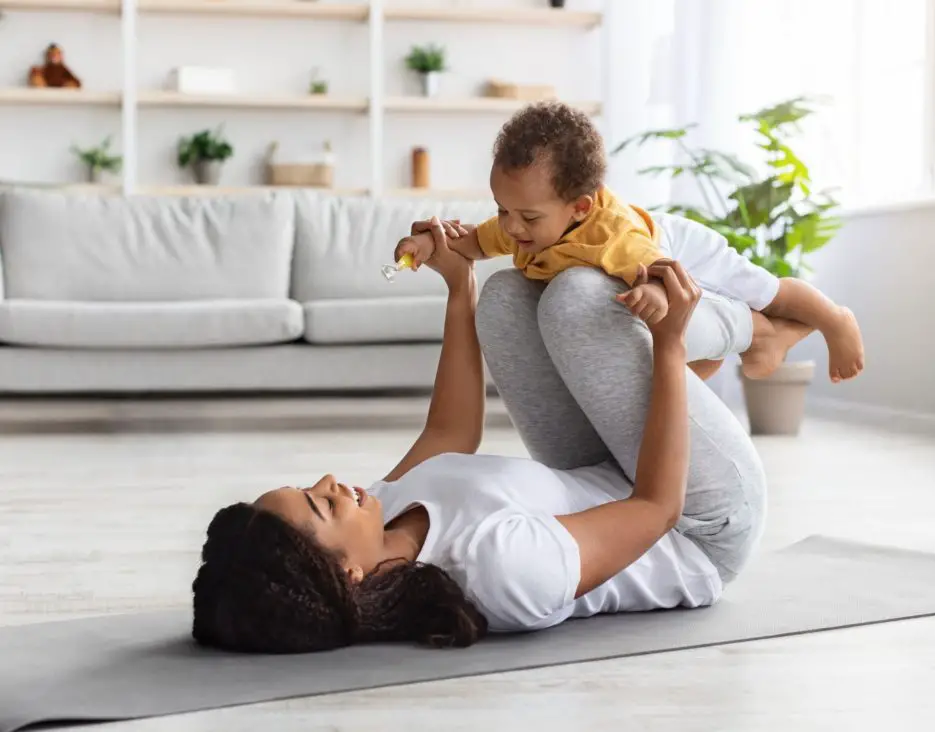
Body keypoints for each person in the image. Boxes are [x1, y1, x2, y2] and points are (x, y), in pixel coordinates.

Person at [191, 217, 771, 653]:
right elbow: (657, 507)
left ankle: (707, 360)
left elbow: (450, 429)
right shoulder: (499, 570)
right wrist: (668, 345)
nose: (329, 481)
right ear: (348, 575)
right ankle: (763, 329)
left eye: (309, 485)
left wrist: (458, 284)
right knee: (576, 303)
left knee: (504, 300)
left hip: (610, 471)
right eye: (320, 504)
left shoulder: (383, 516)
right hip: (701, 527)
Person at [395, 100, 864, 383]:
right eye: (502, 210)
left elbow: (659, 268)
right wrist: (432, 246)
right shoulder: (522, 225)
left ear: (579, 208)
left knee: (761, 289)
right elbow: (475, 244)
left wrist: (654, 290)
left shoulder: (612, 238)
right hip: (644, 251)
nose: (511, 228)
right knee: (668, 373)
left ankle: (831, 318)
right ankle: (760, 343)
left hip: (674, 245)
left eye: (528, 217)